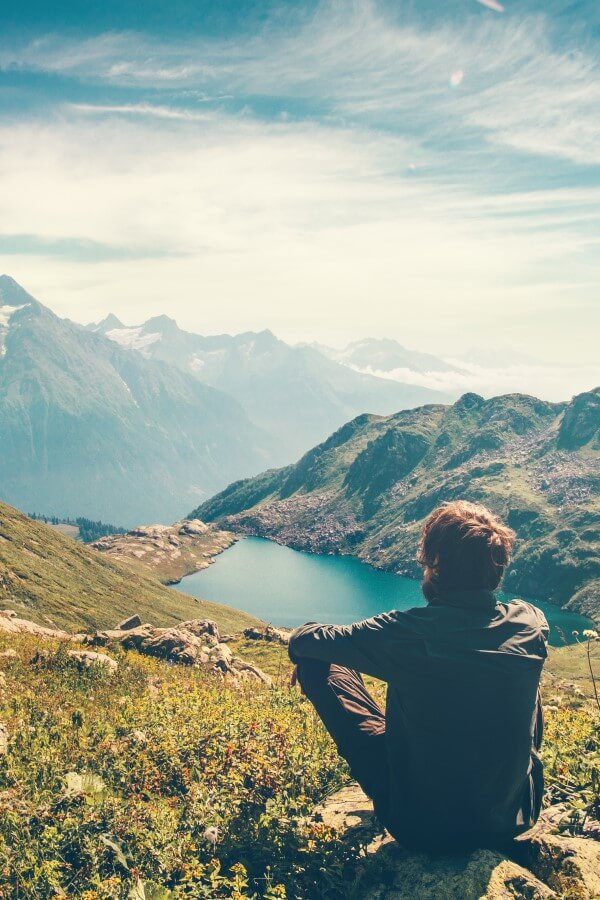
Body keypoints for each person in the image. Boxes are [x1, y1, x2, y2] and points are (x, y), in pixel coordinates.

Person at [289, 500, 548, 851]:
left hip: (424, 827)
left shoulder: (407, 633)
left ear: (436, 565)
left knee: (320, 661)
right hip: (515, 817)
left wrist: (308, 656)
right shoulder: (530, 623)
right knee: (517, 674)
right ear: (497, 567)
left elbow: (305, 639)